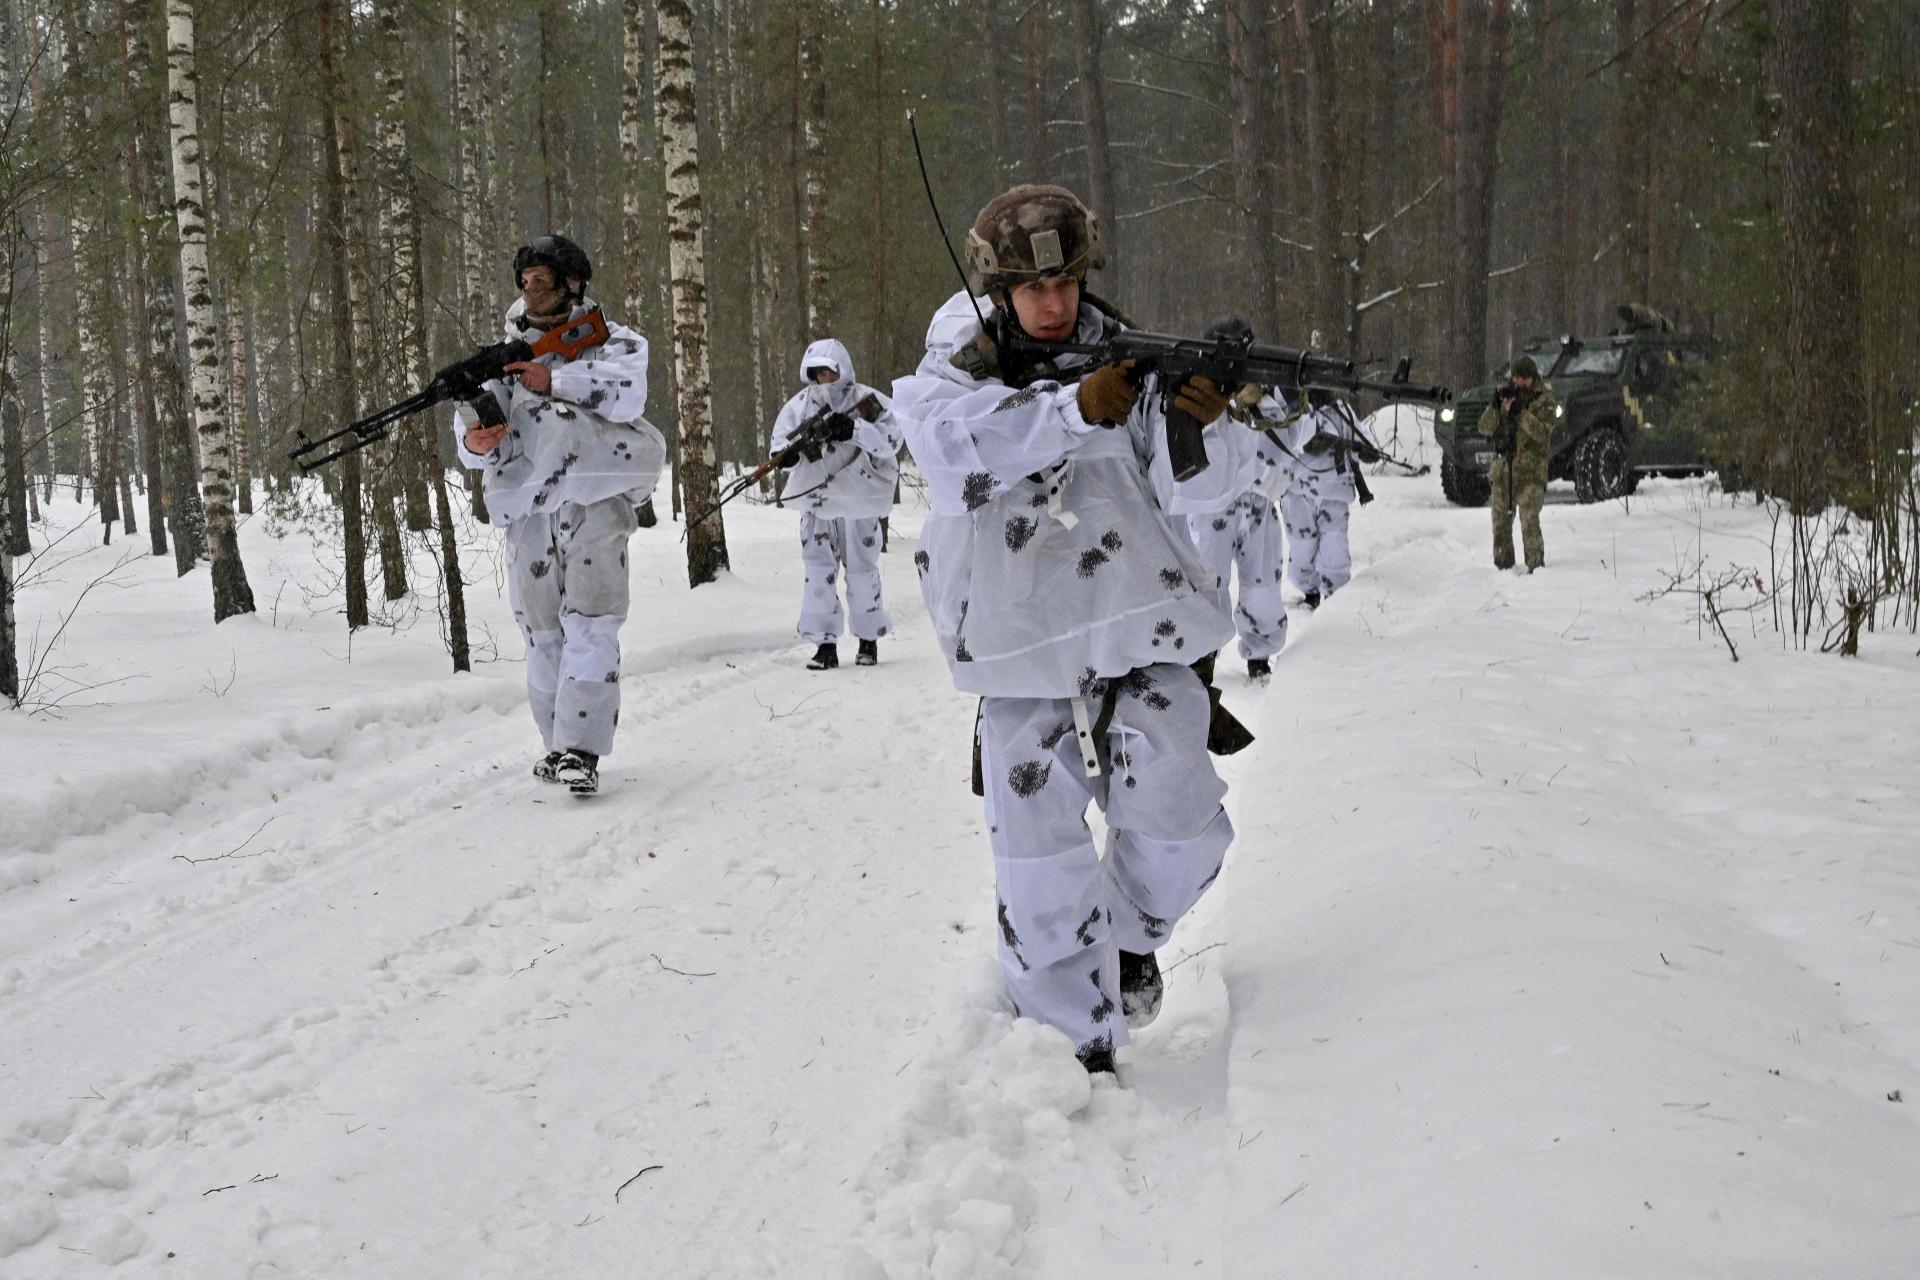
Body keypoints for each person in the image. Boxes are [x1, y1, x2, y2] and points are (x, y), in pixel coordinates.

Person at [892, 184, 1238, 1076]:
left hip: (1139, 623)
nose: (1054, 305)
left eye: (1069, 284)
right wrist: (1072, 409)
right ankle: (1067, 1049)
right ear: (999, 289)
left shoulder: (1129, 358)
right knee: (1040, 861)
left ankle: (1126, 940)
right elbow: (947, 448)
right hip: (1018, 643)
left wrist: (1199, 419)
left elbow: (1204, 490)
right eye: (1034, 290)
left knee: (1180, 823)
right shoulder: (957, 369)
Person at [455, 235, 664, 796]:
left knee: (591, 623)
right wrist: (477, 440)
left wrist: (557, 379)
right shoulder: (502, 356)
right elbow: (471, 437)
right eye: (525, 281)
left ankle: (582, 748)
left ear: (573, 283)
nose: (531, 288)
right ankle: (556, 744)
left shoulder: (613, 342)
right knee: (542, 632)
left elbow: (628, 395)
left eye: (543, 279)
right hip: (529, 507)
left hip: (595, 497)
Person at [766, 338, 902, 670]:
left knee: (861, 570)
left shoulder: (867, 401)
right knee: (818, 571)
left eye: (829, 372)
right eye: (817, 374)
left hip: (860, 498)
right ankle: (824, 644)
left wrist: (854, 430)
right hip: (816, 499)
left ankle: (868, 640)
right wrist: (788, 457)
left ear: (841, 370)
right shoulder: (798, 406)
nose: (824, 380)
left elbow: (892, 441)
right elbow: (780, 447)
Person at [1178, 324, 1294, 682]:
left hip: (1258, 505)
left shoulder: (1266, 395)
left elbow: (1289, 446)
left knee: (1263, 587)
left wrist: (1263, 402)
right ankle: (1198, 661)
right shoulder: (1196, 389)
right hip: (1213, 506)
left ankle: (1259, 656)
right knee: (1205, 586)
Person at [1280, 388, 1373, 610]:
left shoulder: (1341, 411)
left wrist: (1365, 450)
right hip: (1298, 493)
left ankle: (1335, 599)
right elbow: (1282, 441)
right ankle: (1309, 591)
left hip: (1334, 493)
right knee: (1302, 548)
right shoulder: (1291, 408)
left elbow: (1365, 441)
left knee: (1335, 549)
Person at [1477, 354, 1557, 573]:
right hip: (1504, 469)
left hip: (1531, 471)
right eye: (1517, 378)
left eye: (1525, 379)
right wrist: (1495, 407)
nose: (1520, 383)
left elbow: (1542, 433)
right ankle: (1504, 569)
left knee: (1529, 520)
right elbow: (1484, 428)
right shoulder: (1508, 396)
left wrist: (1520, 413)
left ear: (1533, 378)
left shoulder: (1545, 400)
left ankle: (1536, 568)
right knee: (1500, 524)